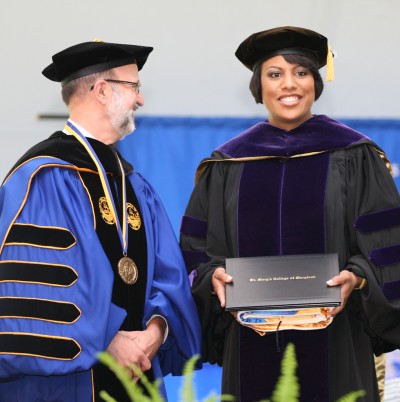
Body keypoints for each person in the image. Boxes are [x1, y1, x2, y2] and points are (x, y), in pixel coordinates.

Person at [179, 26, 400, 402]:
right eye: (275, 74)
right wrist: (212, 274)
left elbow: (387, 244)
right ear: (259, 86)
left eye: (301, 73)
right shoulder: (227, 164)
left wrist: (359, 277)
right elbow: (196, 250)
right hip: (249, 337)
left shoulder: (356, 156)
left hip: (339, 337)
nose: (289, 85)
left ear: (315, 82)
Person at [0, 40, 201, 402]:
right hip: (66, 384)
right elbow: (42, 289)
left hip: (137, 371)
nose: (141, 100)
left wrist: (155, 330)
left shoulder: (133, 184)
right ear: (103, 91)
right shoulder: (43, 177)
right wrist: (109, 339)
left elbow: (167, 273)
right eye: (135, 88)